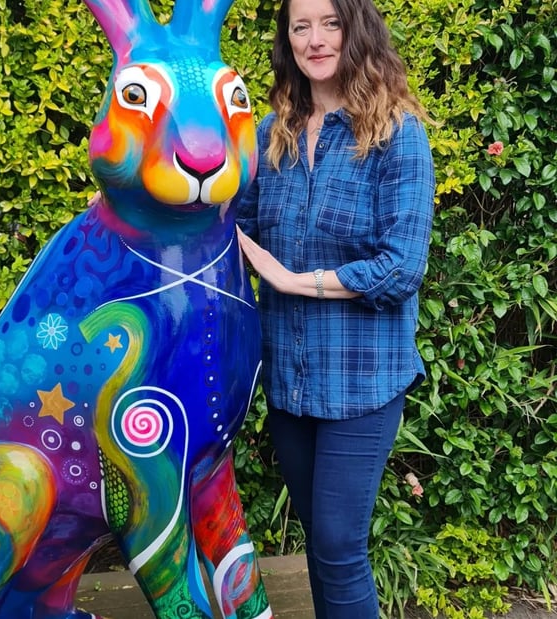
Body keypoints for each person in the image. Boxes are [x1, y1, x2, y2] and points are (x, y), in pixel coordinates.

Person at [234, 0, 435, 616]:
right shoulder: (272, 136)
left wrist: (295, 281)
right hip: (291, 382)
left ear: (356, 30)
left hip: (363, 382)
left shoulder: (398, 133)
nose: (316, 39)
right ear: (287, 39)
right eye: (302, 26)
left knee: (339, 547)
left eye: (330, 23)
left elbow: (401, 267)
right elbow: (236, 229)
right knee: (321, 550)